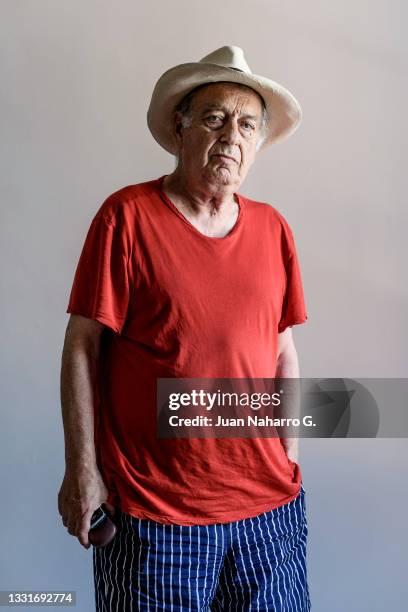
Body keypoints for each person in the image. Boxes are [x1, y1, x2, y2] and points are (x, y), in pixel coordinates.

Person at [58, 45, 311, 611]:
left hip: (269, 519)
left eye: (247, 124)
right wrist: (82, 470)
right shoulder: (125, 217)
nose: (231, 136)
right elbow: (82, 347)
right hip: (155, 519)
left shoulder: (274, 230)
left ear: (258, 143)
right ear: (181, 127)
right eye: (215, 118)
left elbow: (283, 354)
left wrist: (287, 454)